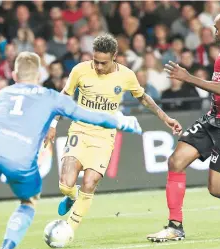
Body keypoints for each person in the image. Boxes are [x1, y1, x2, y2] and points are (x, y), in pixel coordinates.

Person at [0, 52, 143, 249]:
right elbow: (86, 114)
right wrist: (122, 121)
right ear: (38, 78)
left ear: (15, 76)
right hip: (19, 160)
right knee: (27, 203)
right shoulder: (49, 96)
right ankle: (6, 247)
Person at [45, 33, 182, 235]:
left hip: (104, 137)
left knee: (90, 183)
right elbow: (64, 97)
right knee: (66, 185)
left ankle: (68, 231)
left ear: (114, 56)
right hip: (80, 131)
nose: (98, 67)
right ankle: (71, 196)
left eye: (103, 63)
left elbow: (143, 98)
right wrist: (53, 123)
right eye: (95, 61)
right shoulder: (80, 70)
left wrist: (165, 117)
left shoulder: (126, 75)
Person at [147, 10, 220, 242]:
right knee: (176, 161)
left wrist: (188, 78)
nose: (215, 32)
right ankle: (174, 227)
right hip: (213, 118)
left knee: (219, 188)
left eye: (217, 28)